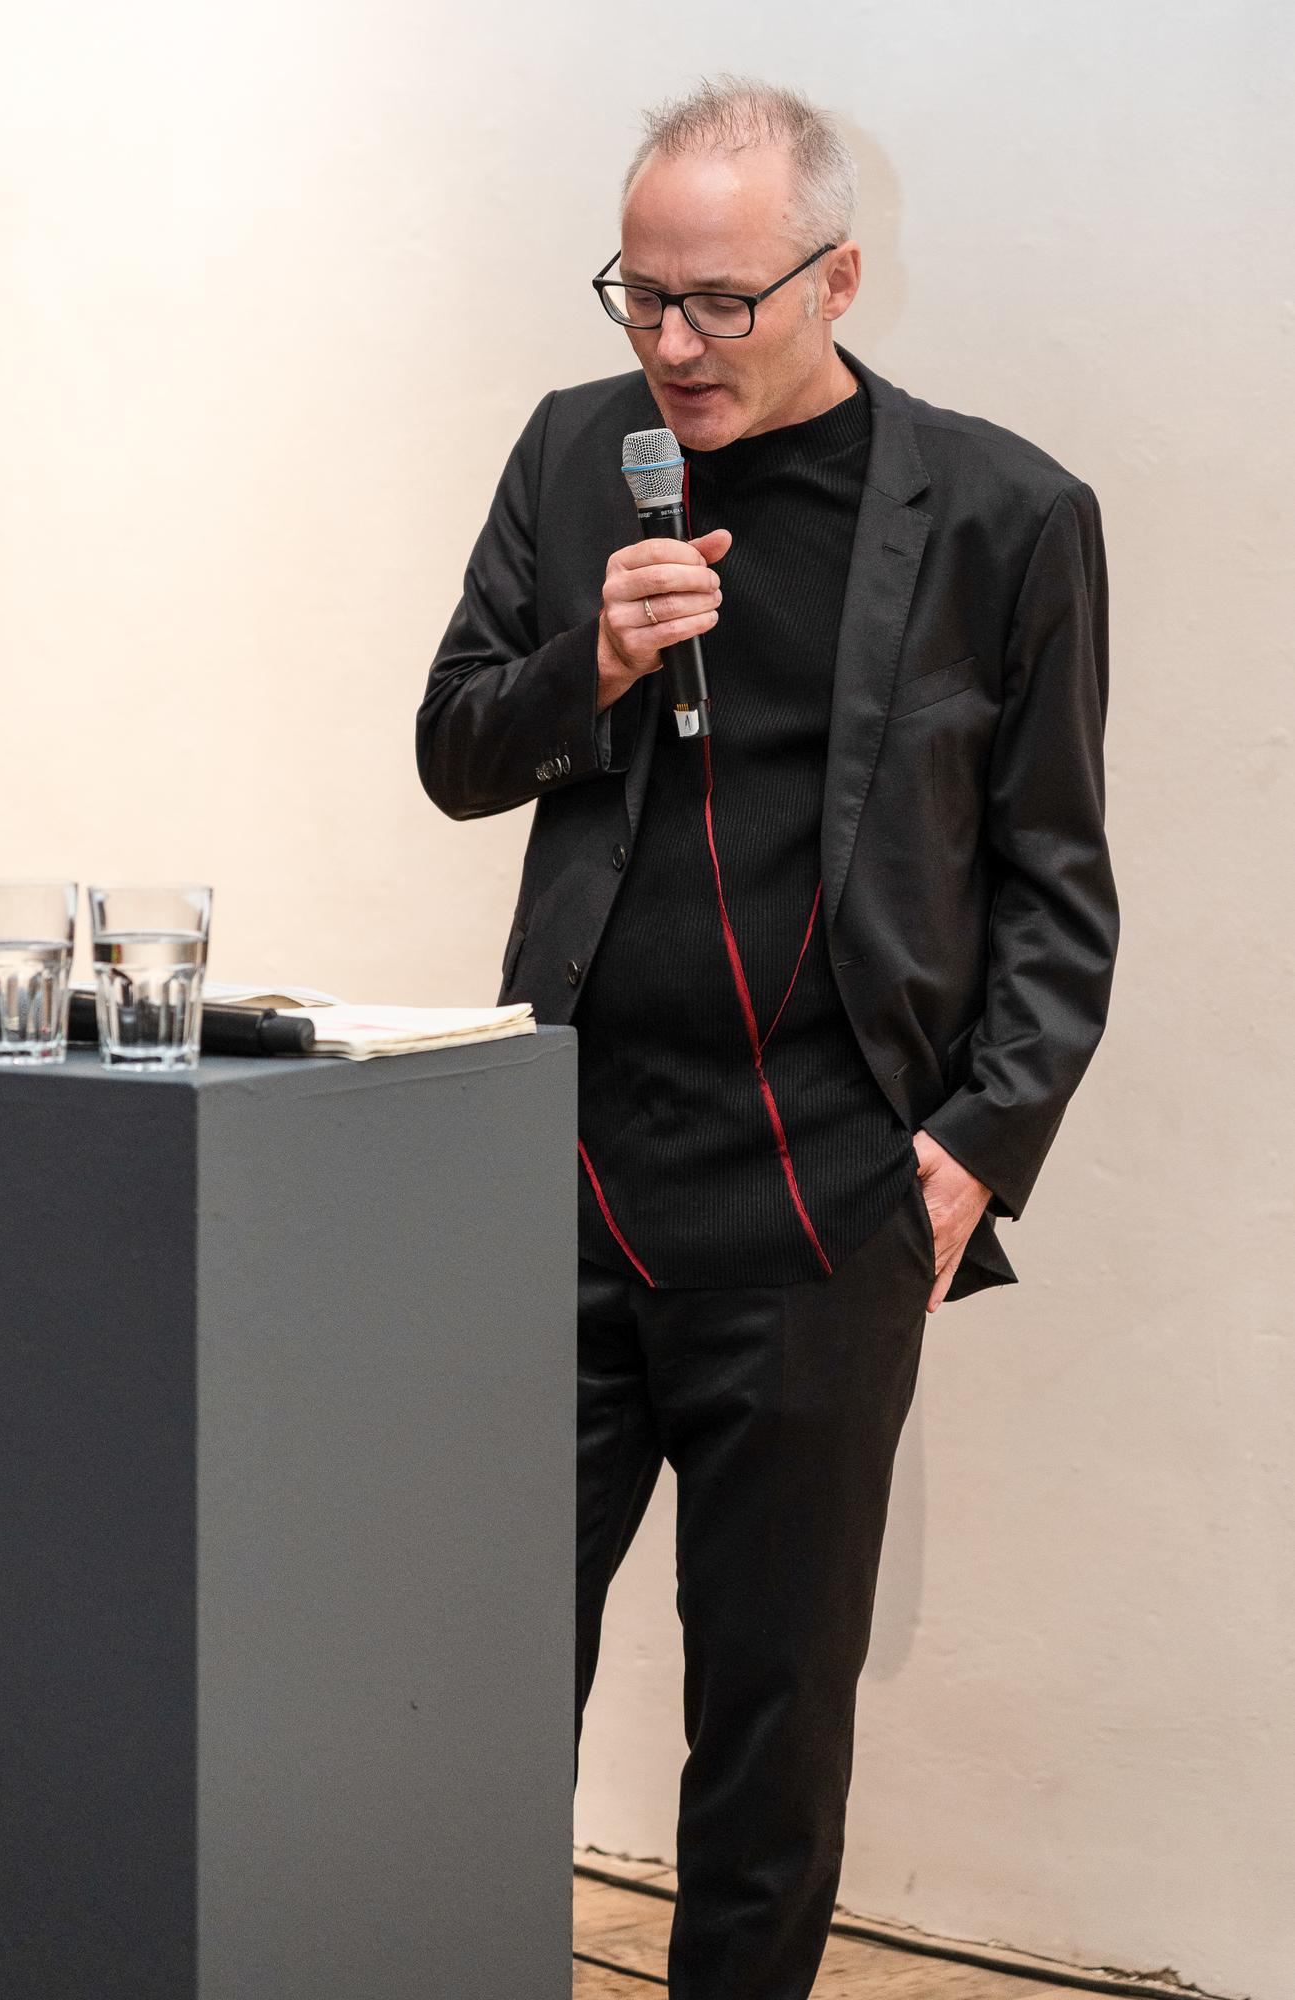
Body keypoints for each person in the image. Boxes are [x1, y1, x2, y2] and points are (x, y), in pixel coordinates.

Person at [416, 73, 1118, 2000]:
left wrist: (971, 1155)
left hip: (824, 1200)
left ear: (836, 281)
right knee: (467, 1686)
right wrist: (590, 662)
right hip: (566, 1174)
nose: (671, 344)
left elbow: (1057, 886)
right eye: (639, 294)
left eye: (718, 302)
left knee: (768, 1719)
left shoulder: (1002, 514)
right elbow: (456, 746)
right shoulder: (575, 453)